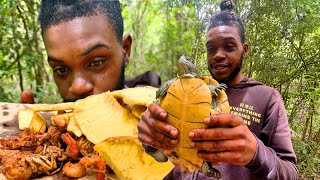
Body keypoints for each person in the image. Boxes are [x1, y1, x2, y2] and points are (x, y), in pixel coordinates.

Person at [137, 0, 298, 179]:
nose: (218, 55)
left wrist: (256, 153)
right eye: (211, 48)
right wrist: (151, 141)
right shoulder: (189, 88)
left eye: (229, 47)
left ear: (244, 50)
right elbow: (164, 155)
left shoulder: (266, 98)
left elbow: (290, 173)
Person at [5, 0, 161, 136]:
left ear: (125, 50)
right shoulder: (55, 130)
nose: (78, 87)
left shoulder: (165, 122)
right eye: (62, 70)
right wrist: (31, 144)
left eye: (96, 63)